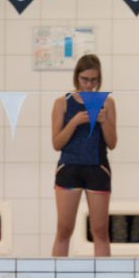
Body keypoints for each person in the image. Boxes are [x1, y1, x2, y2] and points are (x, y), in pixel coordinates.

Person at [51, 54, 117, 257]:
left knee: (99, 230)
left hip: (97, 168)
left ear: (100, 79)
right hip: (69, 167)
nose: (89, 85)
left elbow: (112, 143)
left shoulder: (108, 102)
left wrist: (104, 121)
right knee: (64, 229)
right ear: (77, 78)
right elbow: (57, 143)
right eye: (85, 80)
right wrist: (74, 122)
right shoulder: (62, 103)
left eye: (94, 80)